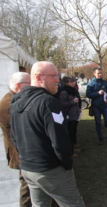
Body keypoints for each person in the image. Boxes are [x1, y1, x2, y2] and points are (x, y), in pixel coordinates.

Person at [10, 61, 85, 207]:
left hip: (28, 169)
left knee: (40, 205)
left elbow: (15, 138)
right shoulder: (48, 102)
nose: (58, 80)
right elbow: (59, 139)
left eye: (58, 75)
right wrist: (67, 163)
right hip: (49, 170)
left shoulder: (16, 102)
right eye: (54, 76)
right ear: (39, 77)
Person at [0, 72, 31, 207]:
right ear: (19, 86)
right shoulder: (8, 103)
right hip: (20, 153)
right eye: (29, 84)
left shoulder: (15, 99)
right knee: (27, 188)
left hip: (24, 151)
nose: (32, 87)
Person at [86, 68, 107, 145]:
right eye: (98, 73)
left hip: (105, 106)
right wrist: (97, 93)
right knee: (98, 123)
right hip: (96, 106)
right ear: (94, 74)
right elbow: (88, 94)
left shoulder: (105, 83)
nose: (100, 74)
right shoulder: (91, 84)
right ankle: (101, 138)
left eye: (101, 73)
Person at [59, 76, 82, 157]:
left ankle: (73, 148)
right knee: (69, 133)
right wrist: (72, 101)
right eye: (71, 82)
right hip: (69, 116)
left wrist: (79, 107)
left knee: (73, 132)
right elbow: (62, 104)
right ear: (66, 83)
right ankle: (70, 152)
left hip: (75, 115)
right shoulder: (64, 92)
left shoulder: (74, 91)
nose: (73, 83)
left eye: (73, 81)